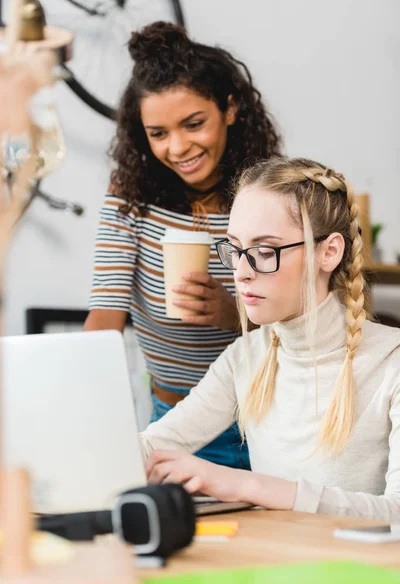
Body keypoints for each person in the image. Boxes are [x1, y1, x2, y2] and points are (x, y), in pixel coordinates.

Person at [140, 157, 400, 521]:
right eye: (234, 249)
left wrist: (250, 485)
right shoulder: (245, 356)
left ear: (329, 252)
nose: (242, 273)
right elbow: (153, 446)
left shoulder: (392, 363)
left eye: (264, 251)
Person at [84, 21, 282, 470]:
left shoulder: (266, 195)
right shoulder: (130, 195)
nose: (178, 147)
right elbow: (105, 313)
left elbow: (305, 320)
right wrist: (81, 407)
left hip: (259, 426)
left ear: (230, 108)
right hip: (167, 422)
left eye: (194, 124)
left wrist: (234, 314)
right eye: (158, 133)